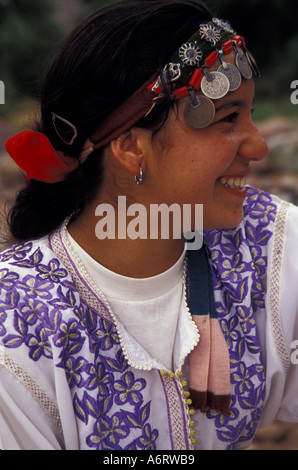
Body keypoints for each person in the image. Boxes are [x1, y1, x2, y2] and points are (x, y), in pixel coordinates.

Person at [0, 0, 298, 451]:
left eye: (251, 115)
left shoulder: (267, 244)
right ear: (131, 149)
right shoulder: (17, 325)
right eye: (228, 118)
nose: (258, 146)